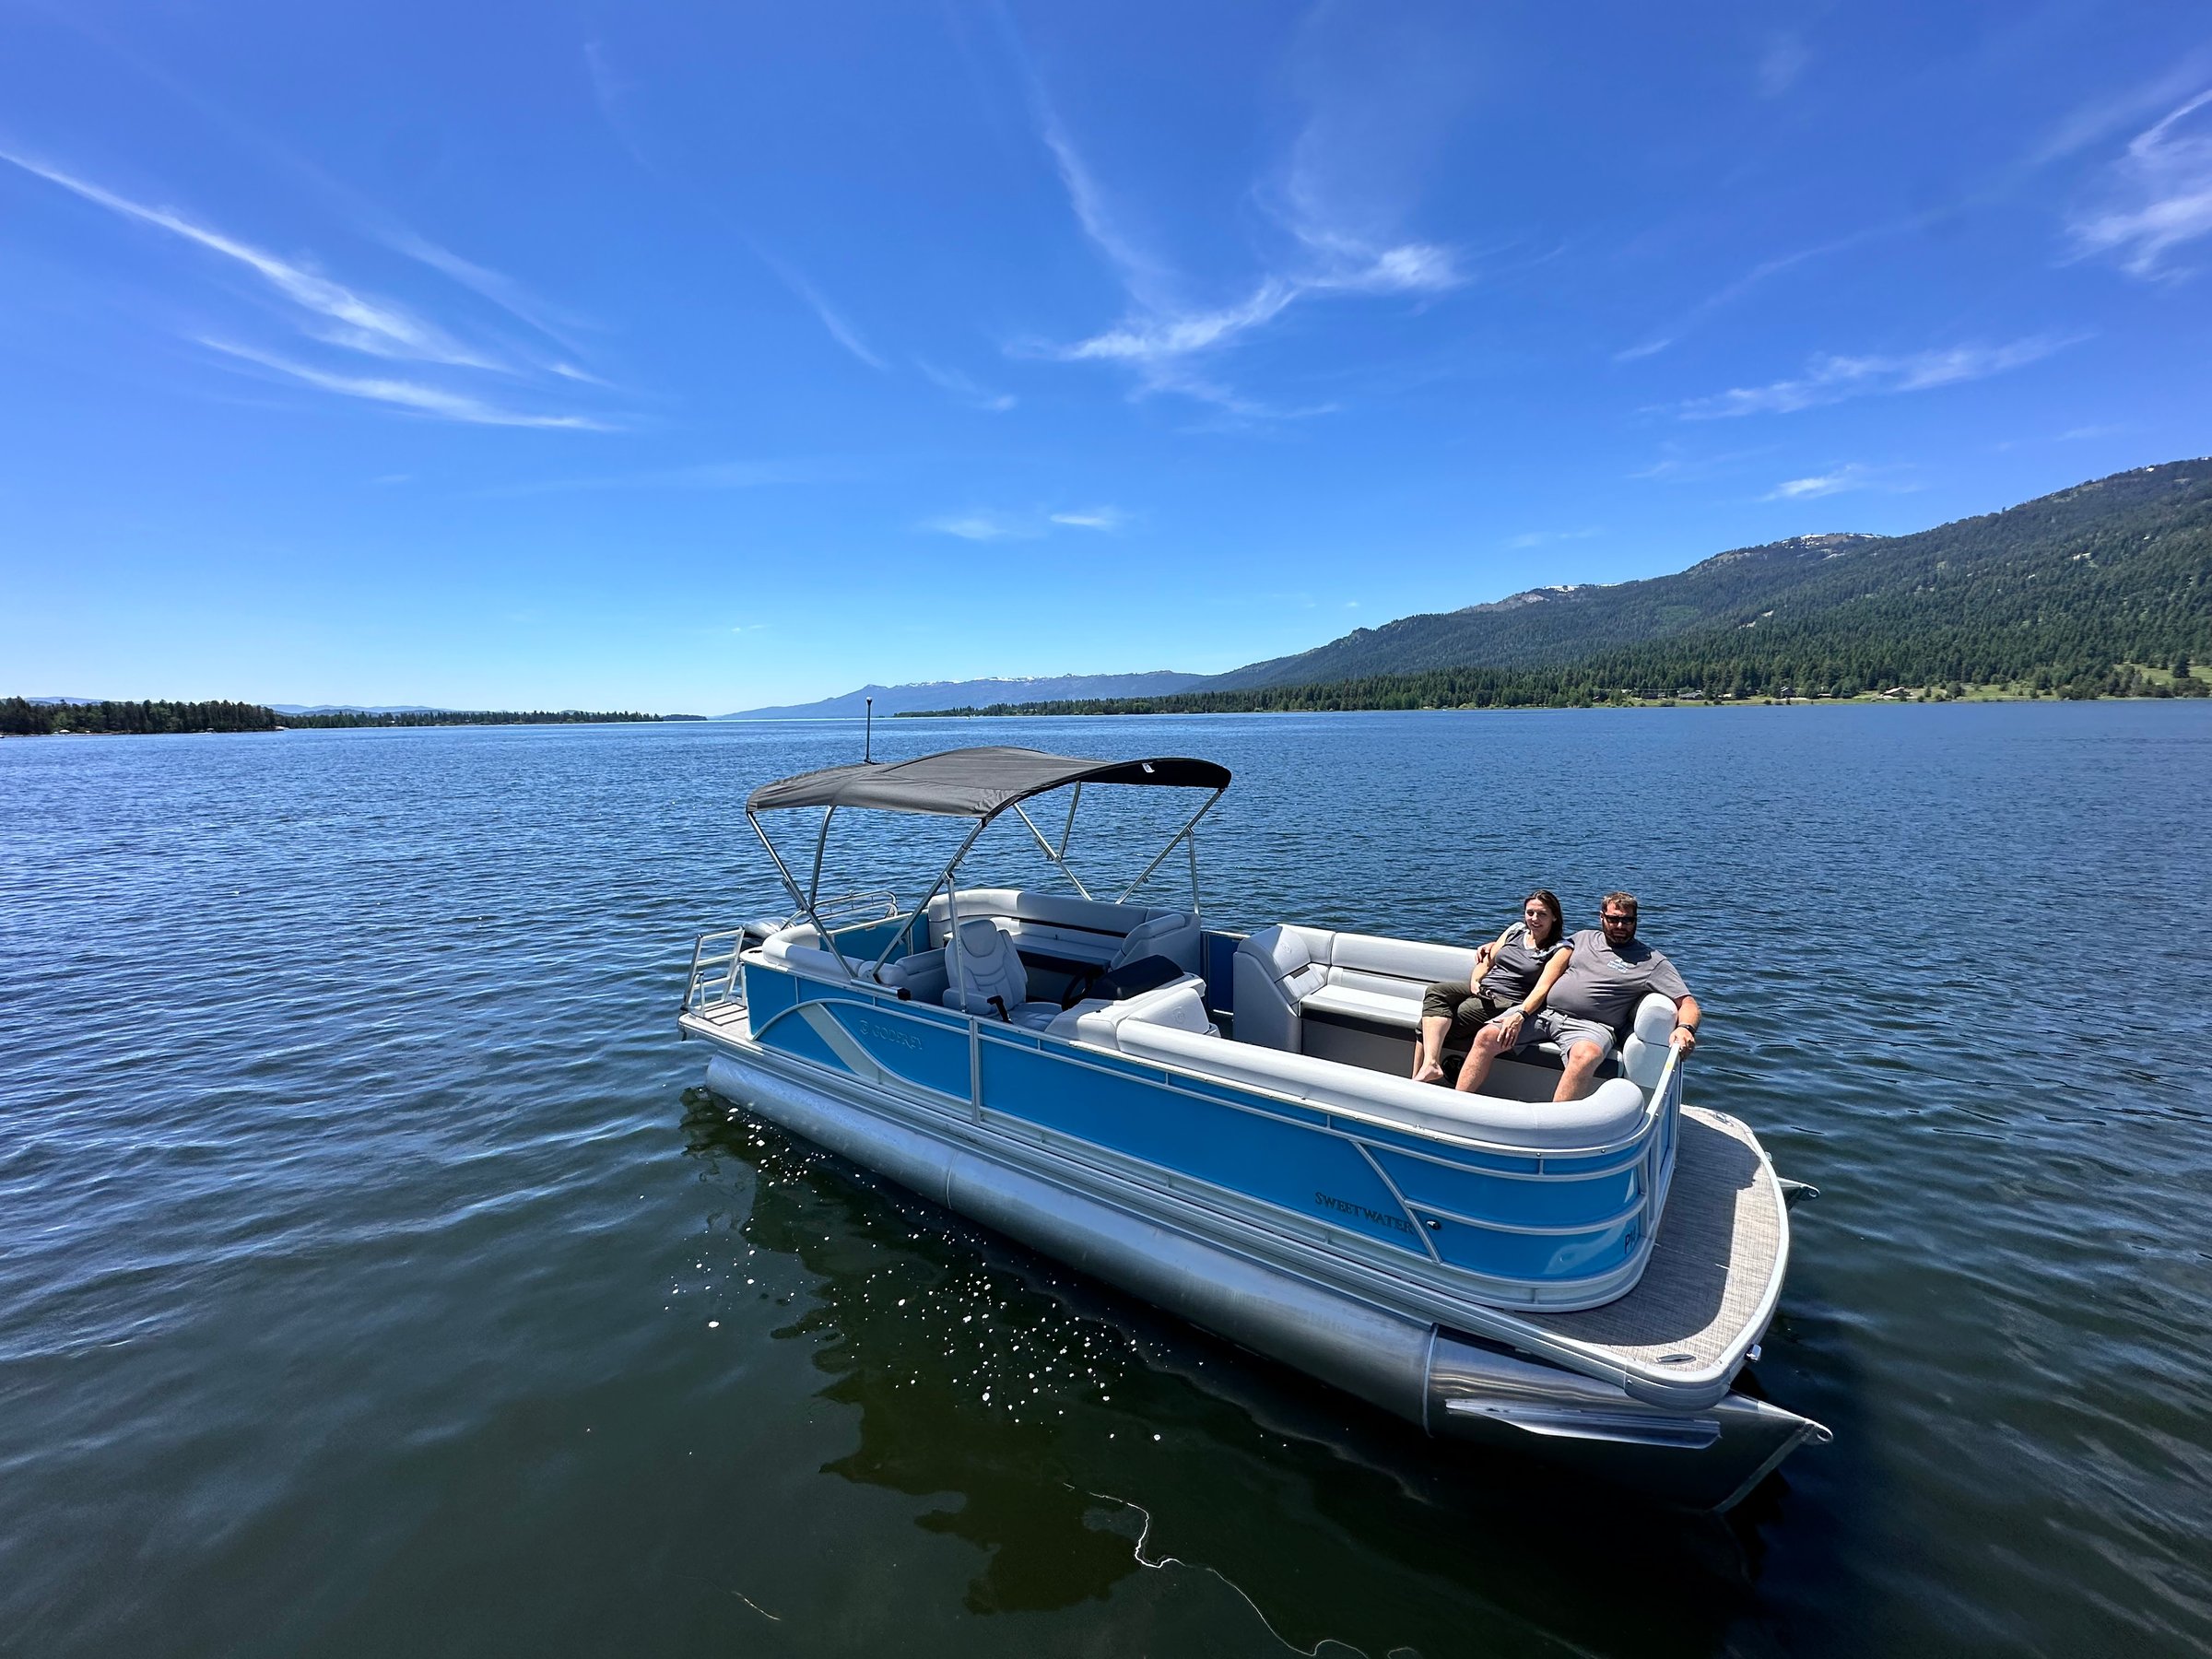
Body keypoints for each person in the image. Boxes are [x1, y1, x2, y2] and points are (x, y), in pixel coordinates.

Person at [1455, 891, 1700, 1101]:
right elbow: (1542, 946)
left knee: (1586, 1056)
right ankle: (1457, 1104)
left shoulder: (1652, 962)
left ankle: (1553, 1133)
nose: (1620, 926)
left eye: (1627, 920)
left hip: (1591, 1026)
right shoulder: (1582, 938)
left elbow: (1687, 1002)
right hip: (1543, 1013)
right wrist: (1495, 946)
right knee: (1487, 1036)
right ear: (1601, 918)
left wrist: (1686, 1027)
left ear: (1636, 921)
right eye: (1614, 919)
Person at [1411, 890, 1568, 1084]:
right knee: (1436, 991)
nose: (1534, 919)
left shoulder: (1560, 949)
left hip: (1506, 1001)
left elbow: (1542, 989)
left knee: (1430, 1023)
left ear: (1554, 917)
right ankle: (1429, 1066)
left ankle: (1420, 1077)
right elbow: (1486, 963)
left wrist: (1521, 1014)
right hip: (1484, 989)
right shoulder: (1516, 931)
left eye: (1542, 914)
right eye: (1530, 913)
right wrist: (1475, 981)